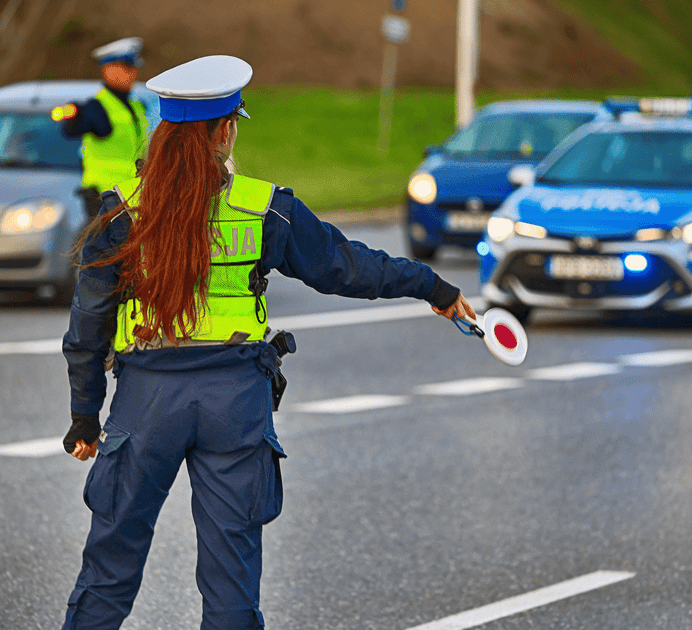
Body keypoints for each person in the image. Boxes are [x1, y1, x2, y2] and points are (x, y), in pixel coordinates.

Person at [59, 55, 477, 630]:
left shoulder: (123, 212)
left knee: (108, 572)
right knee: (232, 584)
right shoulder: (265, 207)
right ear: (226, 130)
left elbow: (88, 324)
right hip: (235, 403)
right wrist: (431, 285)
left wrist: (85, 415)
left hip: (147, 402)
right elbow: (345, 267)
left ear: (162, 134)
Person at [57, 37, 150, 218]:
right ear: (108, 70)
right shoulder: (96, 107)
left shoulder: (137, 106)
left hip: (133, 192)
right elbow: (69, 132)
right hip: (104, 196)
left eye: (134, 68)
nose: (134, 73)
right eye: (128, 68)